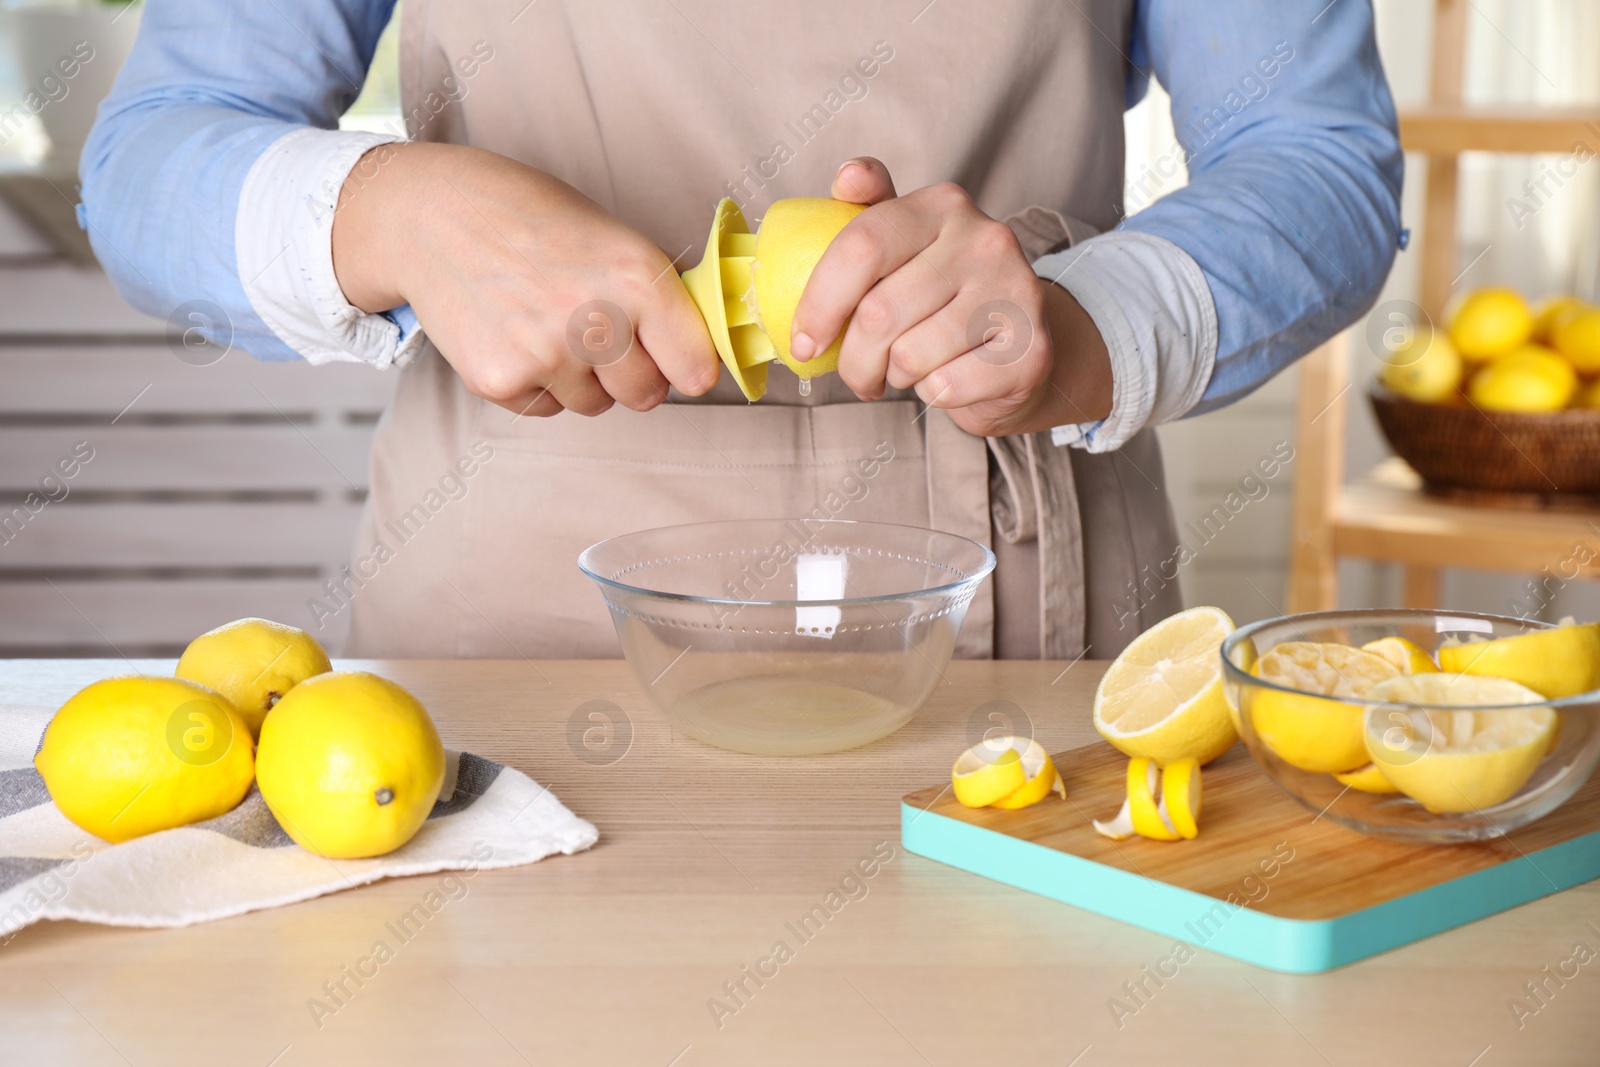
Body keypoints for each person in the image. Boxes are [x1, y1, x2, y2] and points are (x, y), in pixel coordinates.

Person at [81, 1, 1401, 660]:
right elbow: (147, 165)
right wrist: (391, 211)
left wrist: (1093, 319)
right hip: (514, 618)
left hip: (1017, 586)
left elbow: (1317, 154)